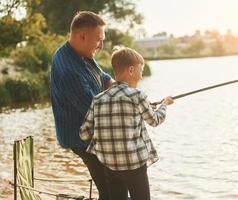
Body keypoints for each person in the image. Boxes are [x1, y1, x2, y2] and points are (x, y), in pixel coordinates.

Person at [79, 47, 174, 200]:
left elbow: (84, 134)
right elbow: (155, 120)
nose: (141, 76)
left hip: (110, 166)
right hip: (134, 166)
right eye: (140, 70)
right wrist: (164, 104)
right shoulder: (137, 95)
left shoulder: (98, 99)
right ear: (131, 70)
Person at [50, 11, 114, 200]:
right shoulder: (68, 70)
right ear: (82, 36)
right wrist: (131, 107)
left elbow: (102, 77)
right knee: (111, 188)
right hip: (81, 137)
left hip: (92, 129)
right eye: (99, 39)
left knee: (113, 185)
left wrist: (123, 90)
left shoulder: (82, 51)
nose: (101, 45)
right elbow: (95, 112)